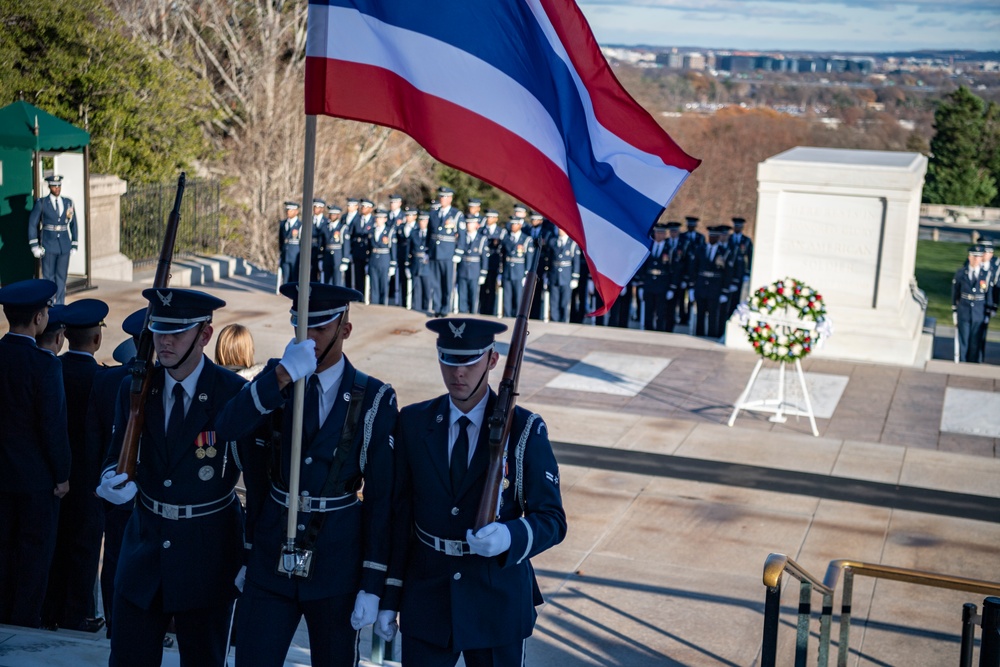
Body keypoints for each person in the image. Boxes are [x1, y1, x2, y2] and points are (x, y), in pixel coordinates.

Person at [214, 282, 397, 667]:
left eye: (320, 329)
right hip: (271, 554)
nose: (308, 340)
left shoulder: (375, 397)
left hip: (336, 562)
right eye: (300, 327)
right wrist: (280, 376)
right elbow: (227, 428)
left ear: (344, 330)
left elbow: (383, 502)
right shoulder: (275, 380)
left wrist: (373, 583)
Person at [381, 317, 567, 666]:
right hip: (428, 599)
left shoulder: (524, 429)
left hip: (495, 601)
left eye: (468, 362)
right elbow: (399, 515)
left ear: (492, 360)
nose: (458, 373)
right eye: (448, 361)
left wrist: (511, 536)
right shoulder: (414, 421)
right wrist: (389, 596)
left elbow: (553, 519)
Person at [96, 288, 250, 666]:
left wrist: (251, 553)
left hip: (207, 554)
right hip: (144, 548)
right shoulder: (136, 386)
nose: (164, 341)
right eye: (160, 330)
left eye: (177, 333)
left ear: (205, 335)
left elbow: (257, 481)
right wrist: (108, 481)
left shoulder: (231, 393)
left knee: (203, 658)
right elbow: (115, 451)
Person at [0, 279, 71, 629]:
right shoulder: (45, 365)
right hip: (36, 481)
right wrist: (62, 475)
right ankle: (24, 625)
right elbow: (53, 427)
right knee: (33, 558)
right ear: (40, 318)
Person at [42, 299, 110, 633]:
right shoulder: (102, 379)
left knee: (54, 545)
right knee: (84, 550)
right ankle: (78, 613)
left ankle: (50, 608)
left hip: (53, 475)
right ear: (97, 339)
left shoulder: (53, 367)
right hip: (88, 479)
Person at [89, 307, 145, 640]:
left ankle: (115, 623)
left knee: (115, 562)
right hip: (127, 494)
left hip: (121, 497)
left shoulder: (107, 378)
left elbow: (94, 439)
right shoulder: (124, 386)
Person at [28, 176, 78, 305]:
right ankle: (49, 304)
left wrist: (74, 243)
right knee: (49, 278)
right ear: (49, 187)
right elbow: (33, 224)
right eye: (54, 186)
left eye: (59, 186)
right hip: (48, 244)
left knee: (61, 277)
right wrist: (34, 245)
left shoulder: (67, 202)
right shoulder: (42, 203)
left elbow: (73, 224)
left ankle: (60, 303)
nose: (57, 188)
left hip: (64, 245)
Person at [693, 226, 740, 339]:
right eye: (710, 236)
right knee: (700, 312)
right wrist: (692, 286)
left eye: (714, 236)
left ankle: (711, 335)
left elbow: (728, 272)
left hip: (715, 286)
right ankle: (699, 334)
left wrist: (724, 290)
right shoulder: (700, 249)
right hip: (702, 284)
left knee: (713, 314)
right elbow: (694, 268)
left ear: (718, 238)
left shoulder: (724, 252)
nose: (712, 238)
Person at [952, 244, 992, 364]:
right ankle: (962, 363)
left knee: (975, 341)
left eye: (979, 257)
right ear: (969, 257)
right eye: (974, 256)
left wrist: (987, 313)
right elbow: (955, 292)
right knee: (963, 339)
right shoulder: (961, 273)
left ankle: (973, 364)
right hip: (964, 311)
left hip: (978, 312)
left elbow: (988, 294)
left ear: (981, 258)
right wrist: (954, 310)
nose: (976, 259)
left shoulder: (986, 275)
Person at [429, 187, 464, 317]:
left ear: (450, 198)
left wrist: (459, 252)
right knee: (436, 282)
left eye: (445, 197)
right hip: (435, 252)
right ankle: (437, 307)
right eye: (441, 196)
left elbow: (462, 234)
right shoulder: (433, 213)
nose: (442, 199)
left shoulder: (456, 214)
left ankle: (445, 308)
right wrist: (428, 250)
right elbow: (429, 234)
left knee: (447, 282)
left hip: (448, 253)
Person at [501, 218, 535, 317]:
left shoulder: (526, 239)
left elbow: (529, 258)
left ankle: (518, 316)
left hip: (519, 272)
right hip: (508, 271)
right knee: (507, 296)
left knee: (518, 297)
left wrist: (526, 274)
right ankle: (507, 315)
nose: (513, 226)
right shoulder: (506, 238)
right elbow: (503, 256)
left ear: (520, 225)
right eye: (512, 224)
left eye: (515, 224)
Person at [455, 216, 489, 314]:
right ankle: (462, 314)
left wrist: (483, 273)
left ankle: (473, 314)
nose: (469, 225)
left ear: (476, 225)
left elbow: (484, 258)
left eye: (471, 223)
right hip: (463, 269)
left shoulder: (481, 239)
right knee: (462, 294)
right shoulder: (462, 237)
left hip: (475, 270)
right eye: (468, 223)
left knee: (474, 295)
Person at [545, 228, 580, 323]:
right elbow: (549, 259)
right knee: (554, 301)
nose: (560, 230)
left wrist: (575, 278)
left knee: (565, 302)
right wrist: (547, 275)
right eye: (558, 228)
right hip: (554, 275)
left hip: (566, 276)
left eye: (561, 229)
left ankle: (564, 320)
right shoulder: (552, 241)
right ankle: (554, 320)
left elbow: (576, 262)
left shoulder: (572, 244)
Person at [367, 209, 396, 306]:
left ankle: (383, 304)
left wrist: (393, 264)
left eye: (380, 217)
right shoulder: (372, 231)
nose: (378, 219)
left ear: (385, 219)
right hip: (373, 258)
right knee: (374, 284)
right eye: (377, 217)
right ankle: (375, 304)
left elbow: (393, 249)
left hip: (384, 259)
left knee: (383, 284)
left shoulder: (389, 232)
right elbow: (369, 247)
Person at [480, 210, 506, 317]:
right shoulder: (481, 230)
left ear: (496, 219)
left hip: (494, 264)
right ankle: (482, 310)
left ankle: (491, 311)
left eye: (491, 217)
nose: (488, 219)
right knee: (482, 289)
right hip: (482, 265)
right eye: (487, 217)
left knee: (491, 289)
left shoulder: (501, 232)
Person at [410, 212, 434, 314]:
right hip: (416, 263)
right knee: (417, 288)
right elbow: (409, 249)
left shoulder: (431, 234)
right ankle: (417, 308)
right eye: (421, 220)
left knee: (427, 288)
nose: (422, 223)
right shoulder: (414, 233)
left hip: (427, 264)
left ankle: (426, 308)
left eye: (425, 221)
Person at [322, 204, 351, 288]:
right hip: (327, 256)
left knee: (337, 281)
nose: (331, 216)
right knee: (327, 281)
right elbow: (322, 244)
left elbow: (346, 245)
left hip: (337, 256)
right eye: (330, 214)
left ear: (338, 215)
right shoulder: (325, 227)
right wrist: (321, 257)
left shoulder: (342, 228)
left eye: (334, 214)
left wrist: (345, 260)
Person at [278, 202, 303, 285]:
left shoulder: (300, 225)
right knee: (285, 278)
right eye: (288, 210)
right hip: (285, 255)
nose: (288, 212)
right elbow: (281, 240)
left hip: (295, 256)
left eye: (291, 210)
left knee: (294, 278)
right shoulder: (283, 223)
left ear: (296, 212)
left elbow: (301, 243)